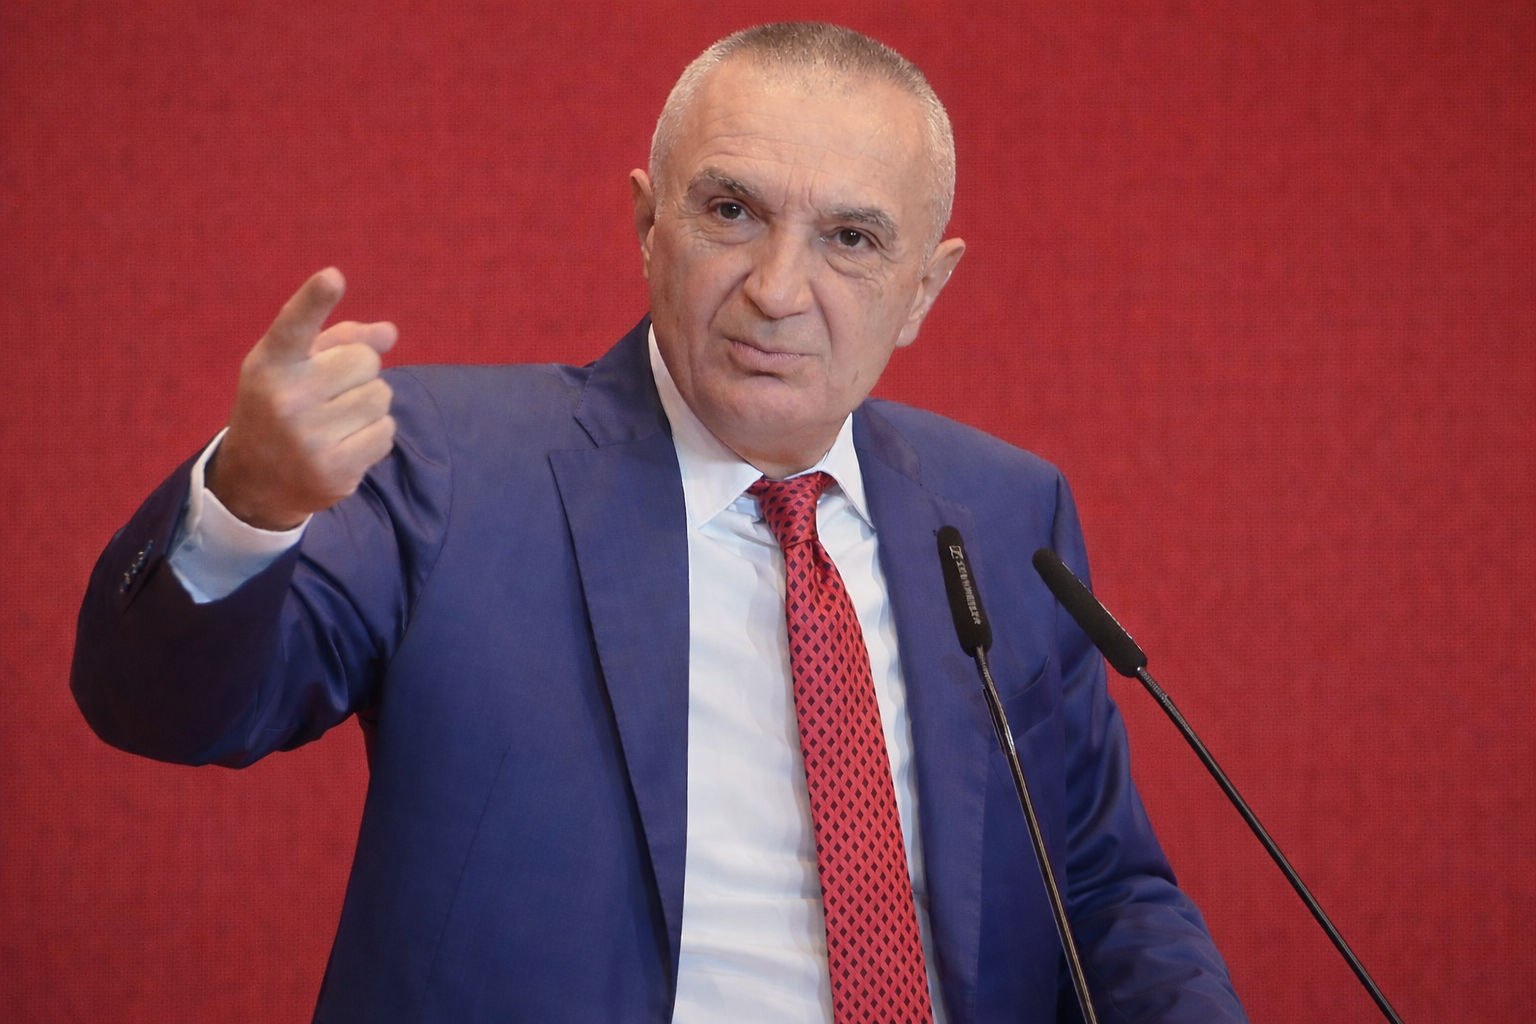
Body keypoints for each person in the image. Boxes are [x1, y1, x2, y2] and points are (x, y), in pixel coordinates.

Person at [71, 22, 1247, 1024]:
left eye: (850, 239)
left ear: (923, 290)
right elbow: (167, 708)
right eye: (731, 210)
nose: (777, 290)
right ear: (649, 224)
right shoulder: (442, 465)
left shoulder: (1003, 513)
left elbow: (1098, 891)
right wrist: (249, 504)